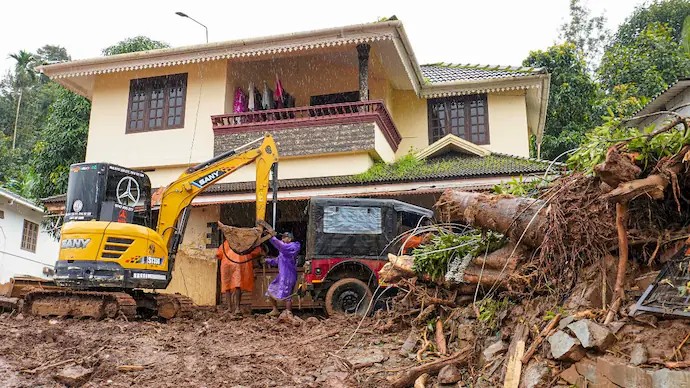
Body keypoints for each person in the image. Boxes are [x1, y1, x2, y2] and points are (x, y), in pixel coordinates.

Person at [216, 236, 263, 315]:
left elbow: (218, 255)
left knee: (230, 286)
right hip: (234, 266)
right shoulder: (240, 243)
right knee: (236, 285)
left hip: (229, 266)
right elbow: (255, 251)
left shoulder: (226, 243)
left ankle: (231, 308)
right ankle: (235, 308)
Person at [264, 231, 301, 317]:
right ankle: (275, 310)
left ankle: (289, 313)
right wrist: (267, 260)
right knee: (270, 291)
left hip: (288, 275)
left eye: (285, 237)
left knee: (287, 295)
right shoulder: (284, 250)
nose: (283, 239)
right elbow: (278, 260)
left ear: (290, 239)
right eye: (282, 237)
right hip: (282, 275)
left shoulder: (293, 247)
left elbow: (281, 246)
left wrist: (271, 237)